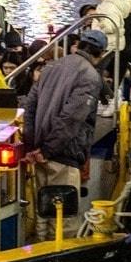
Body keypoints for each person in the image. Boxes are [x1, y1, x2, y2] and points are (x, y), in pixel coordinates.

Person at [22, 29, 107, 240]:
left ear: (78, 46)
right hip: (63, 153)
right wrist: (48, 149)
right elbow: (71, 118)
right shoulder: (90, 76)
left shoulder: (51, 67)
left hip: (40, 150)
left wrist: (34, 146)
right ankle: (58, 256)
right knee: (64, 217)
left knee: (43, 211)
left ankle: (38, 253)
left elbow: (30, 107)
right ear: (101, 54)